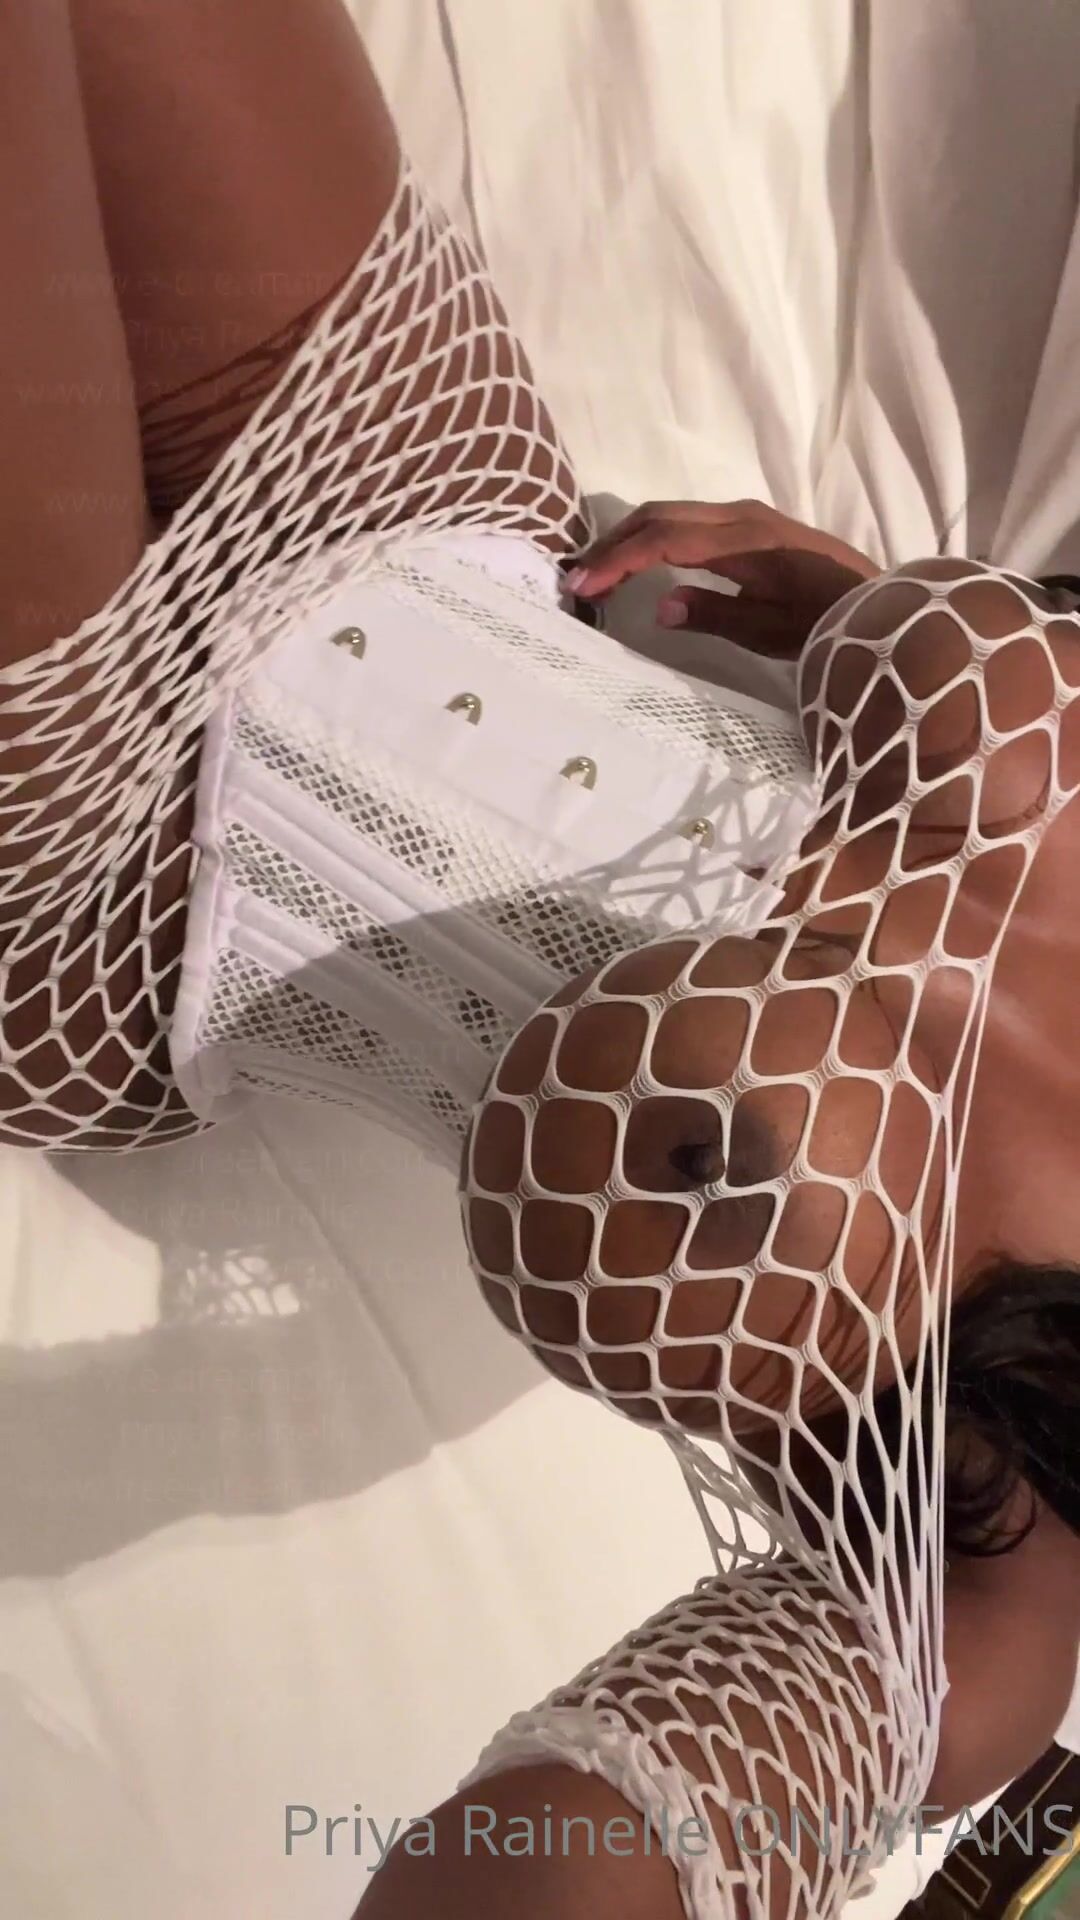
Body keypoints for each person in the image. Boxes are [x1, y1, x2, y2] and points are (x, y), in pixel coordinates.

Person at [3, 6, 1079, 1918]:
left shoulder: (1006, 1535)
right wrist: (846, 598)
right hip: (420, 497)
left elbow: (569, 1873)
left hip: (120, 881)